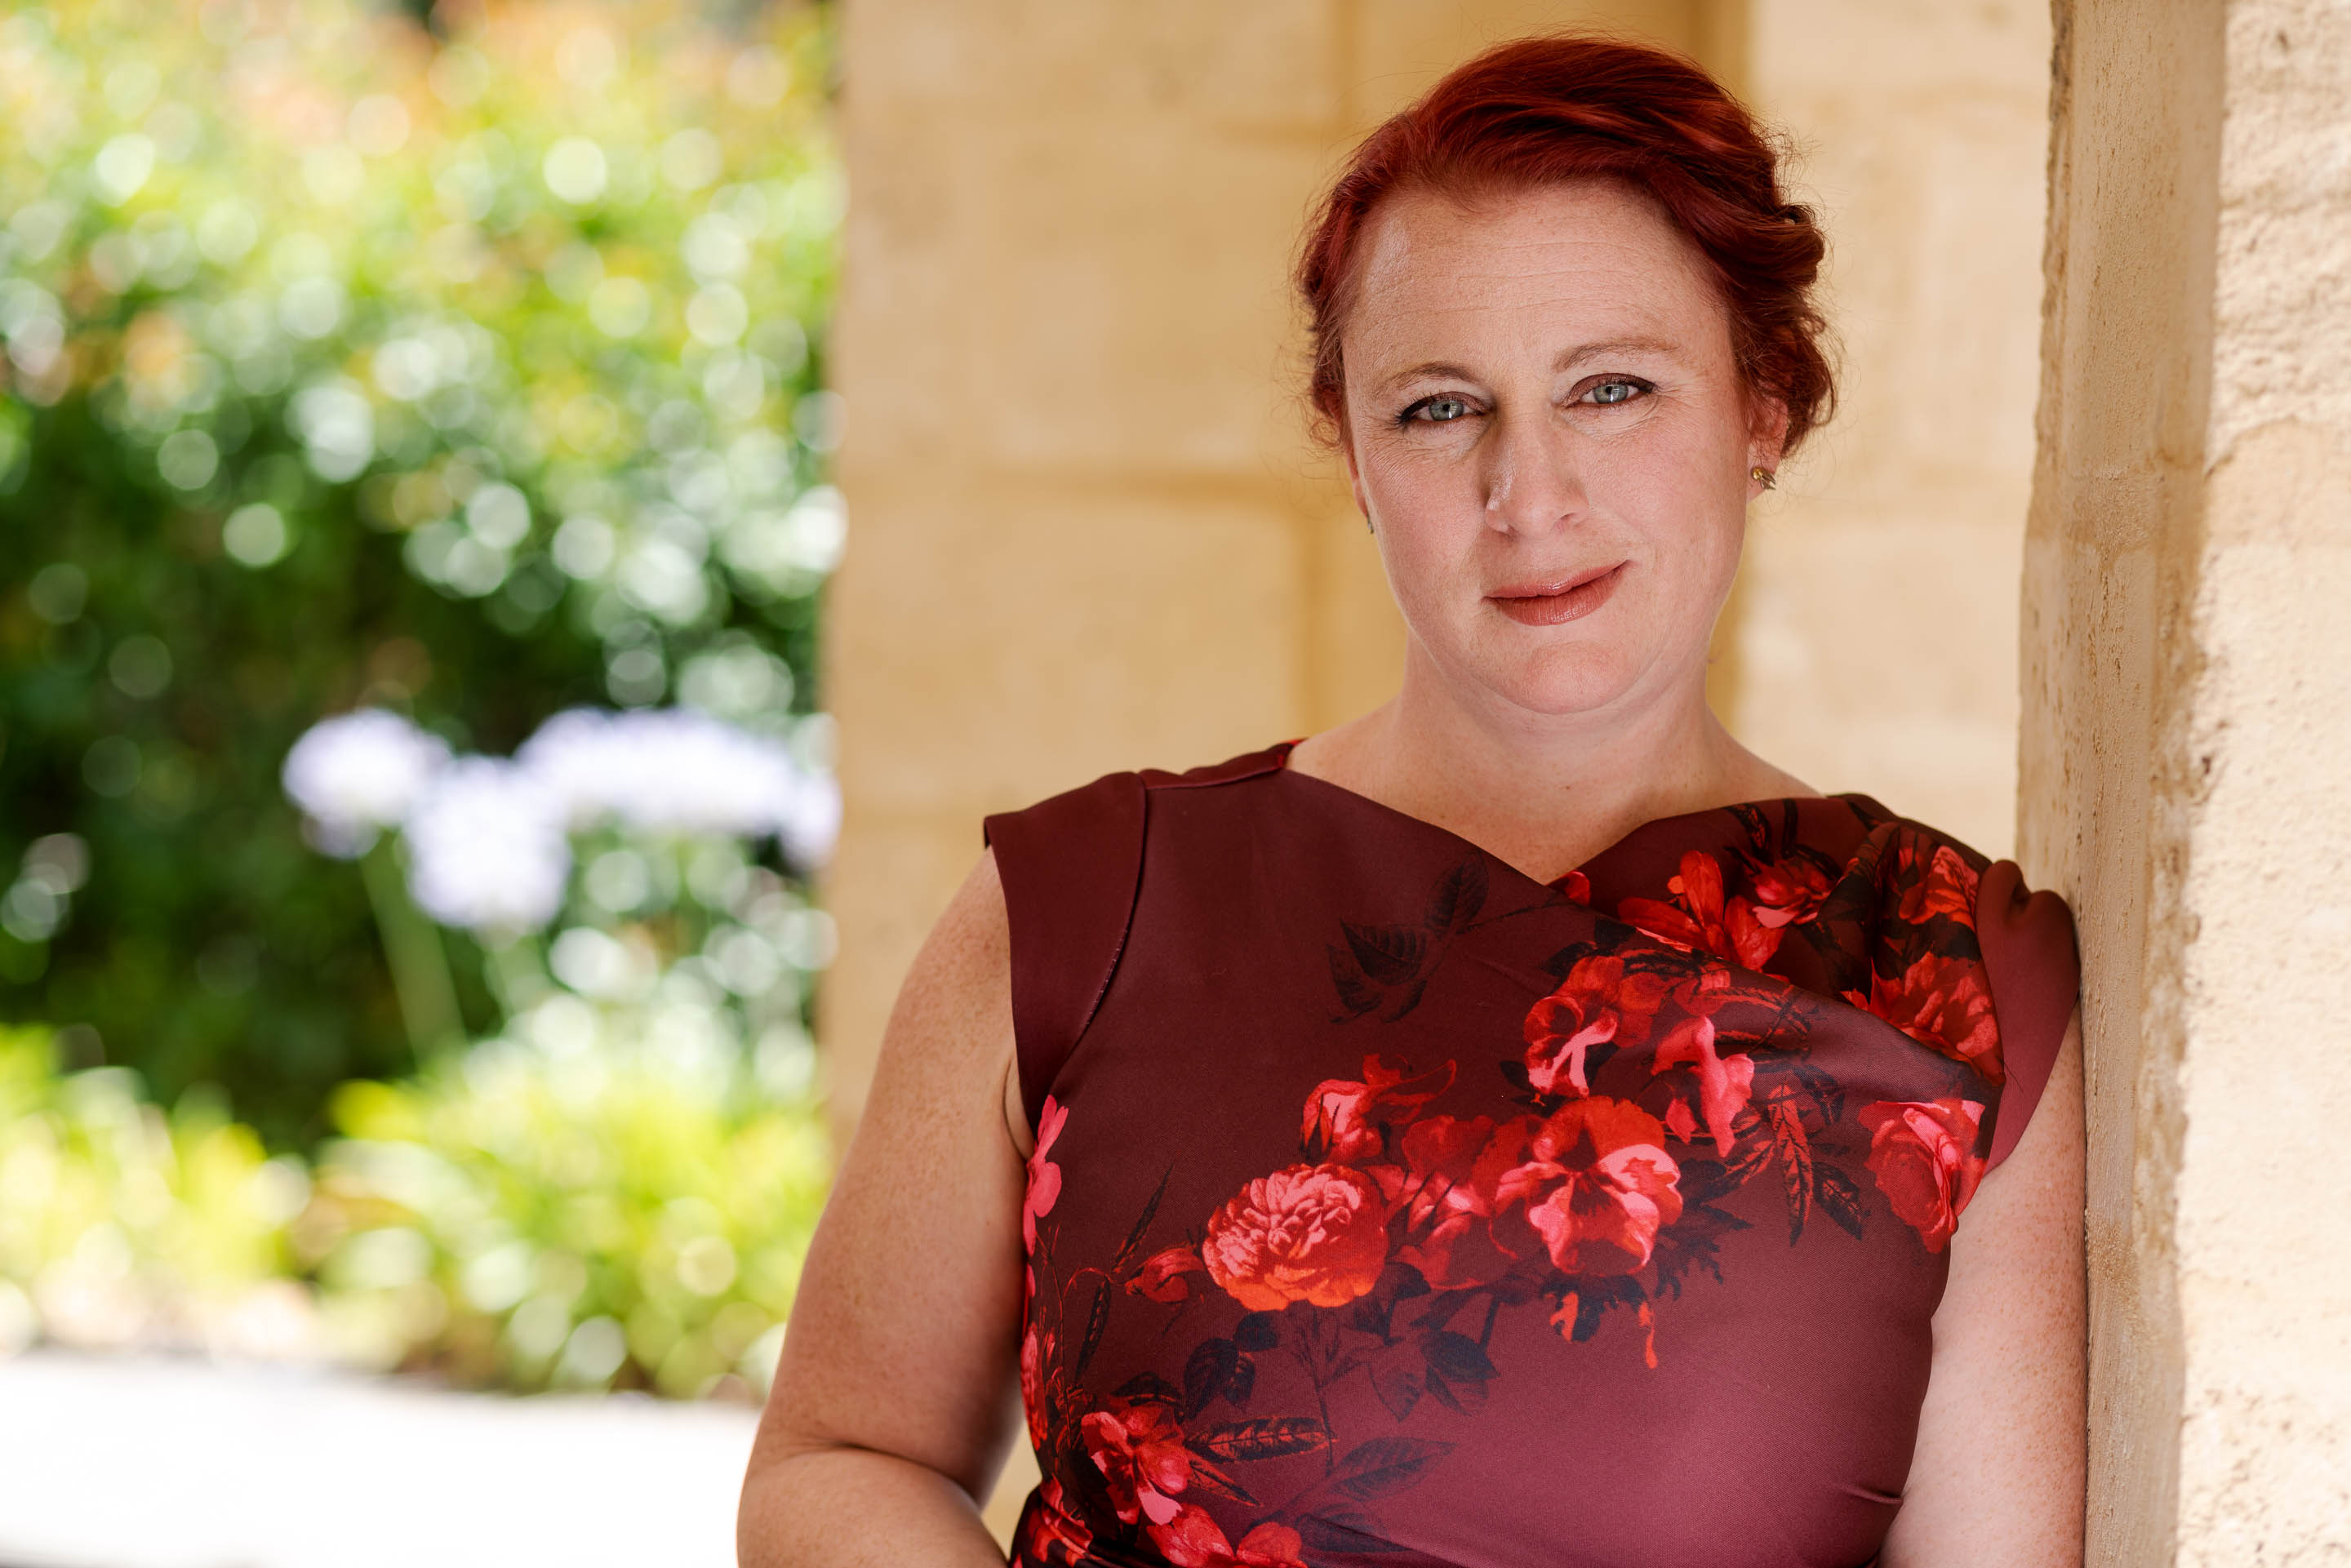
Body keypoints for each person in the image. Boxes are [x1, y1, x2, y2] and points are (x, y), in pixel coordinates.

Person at [738, 33, 2084, 1568]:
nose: (1531, 496)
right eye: (1441, 409)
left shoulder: (1958, 990)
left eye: (1614, 389)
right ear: (1352, 450)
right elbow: (842, 1455)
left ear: (1762, 406)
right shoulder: (1084, 908)